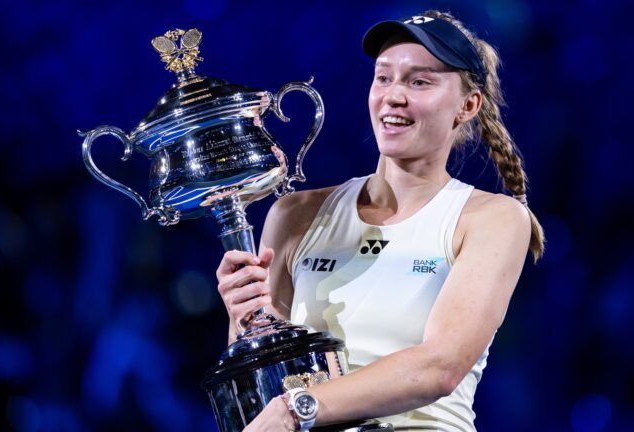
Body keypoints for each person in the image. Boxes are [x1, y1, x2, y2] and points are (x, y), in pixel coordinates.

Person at [215, 9, 545, 432]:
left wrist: (295, 408)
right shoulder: (295, 215)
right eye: (383, 77)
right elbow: (260, 382)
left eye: (419, 81)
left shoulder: (491, 219)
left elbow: (438, 368)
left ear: (468, 105)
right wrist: (241, 318)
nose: (393, 95)